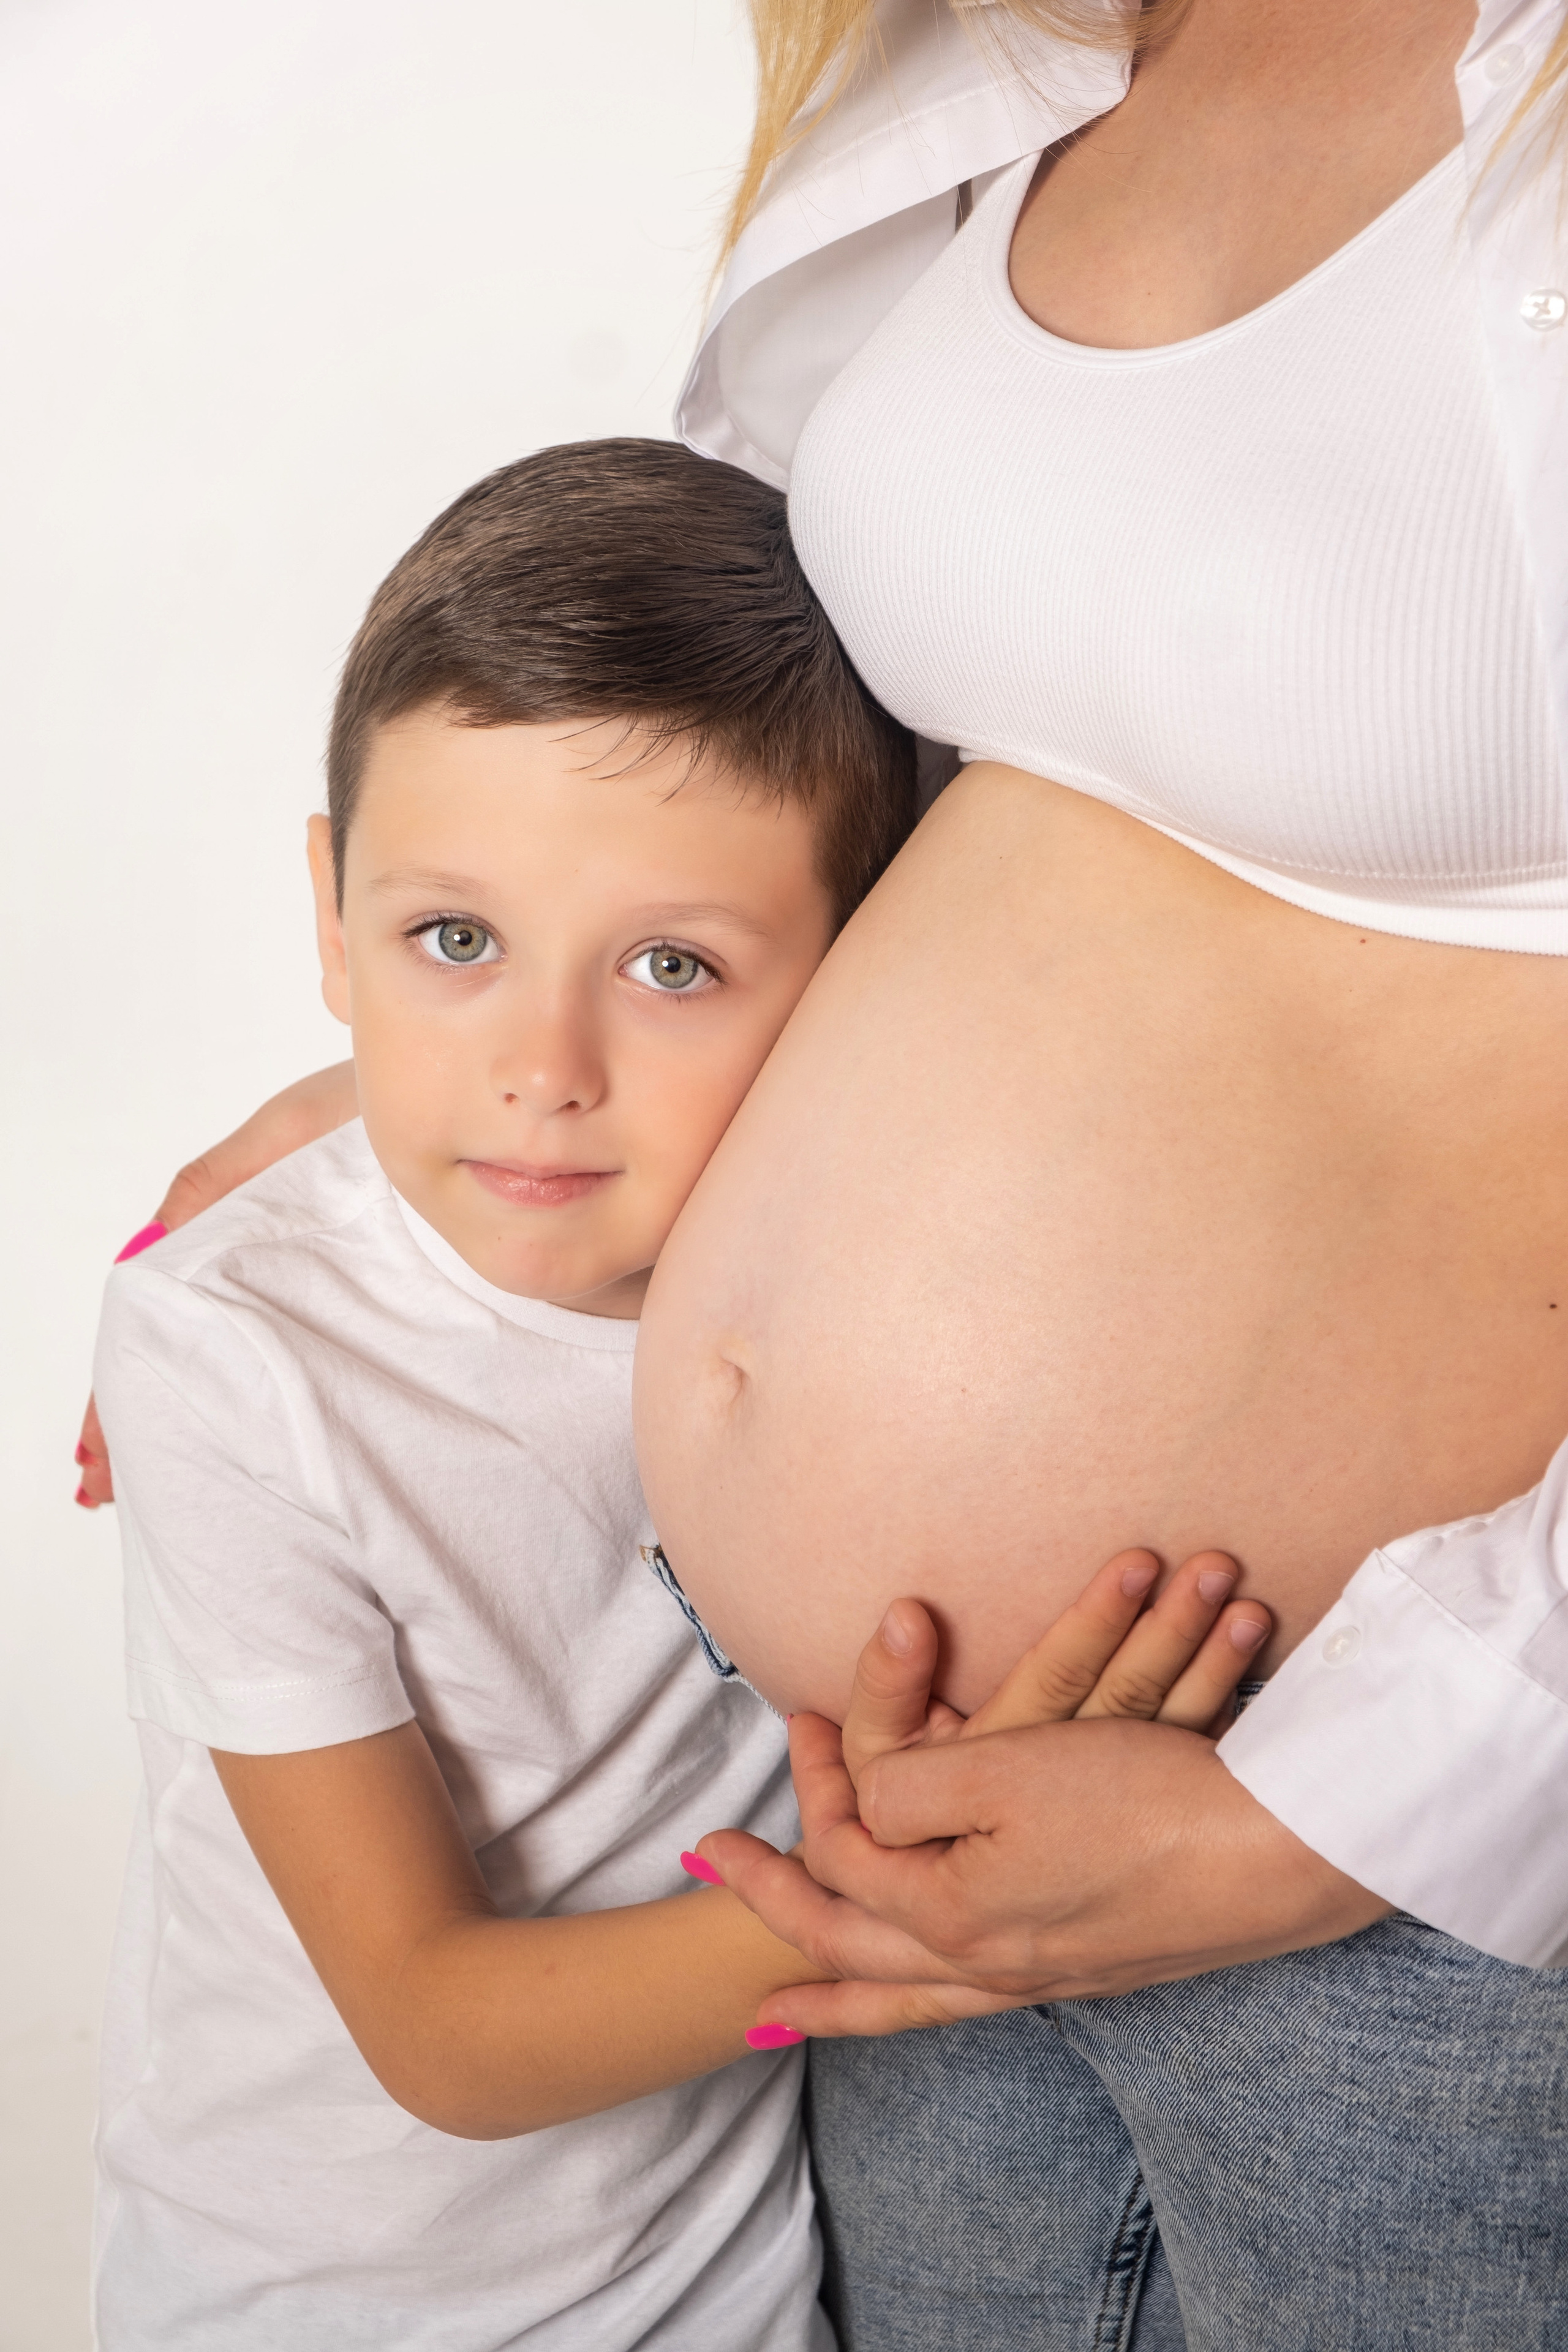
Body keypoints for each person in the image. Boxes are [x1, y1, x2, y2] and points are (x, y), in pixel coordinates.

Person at [78, 0, 1568, 2340]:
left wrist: (1369, 1803)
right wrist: (407, 1081)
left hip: (1371, 1866)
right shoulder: (1006, 39)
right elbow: (759, 771)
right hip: (847, 1792)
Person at [90, 432, 1270, 2350]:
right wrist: (929, 1912)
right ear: (330, 919)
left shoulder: (848, 1262)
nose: (543, 1067)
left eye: (669, 967)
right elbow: (440, 2032)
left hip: (729, 2289)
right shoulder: (238, 1354)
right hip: (322, 2305)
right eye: (453, 940)